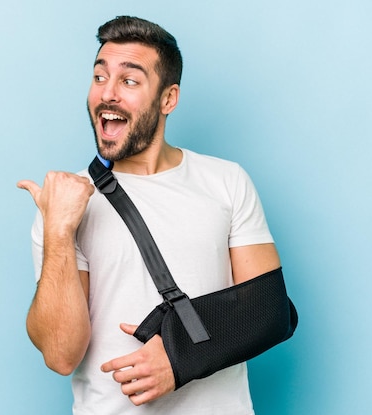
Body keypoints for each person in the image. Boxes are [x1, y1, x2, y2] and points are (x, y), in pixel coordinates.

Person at [17, 16, 280, 414]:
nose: (108, 94)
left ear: (168, 99)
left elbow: (269, 311)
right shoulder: (64, 201)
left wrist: (178, 357)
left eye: (129, 81)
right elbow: (60, 354)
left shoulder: (226, 180)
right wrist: (58, 228)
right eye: (99, 76)